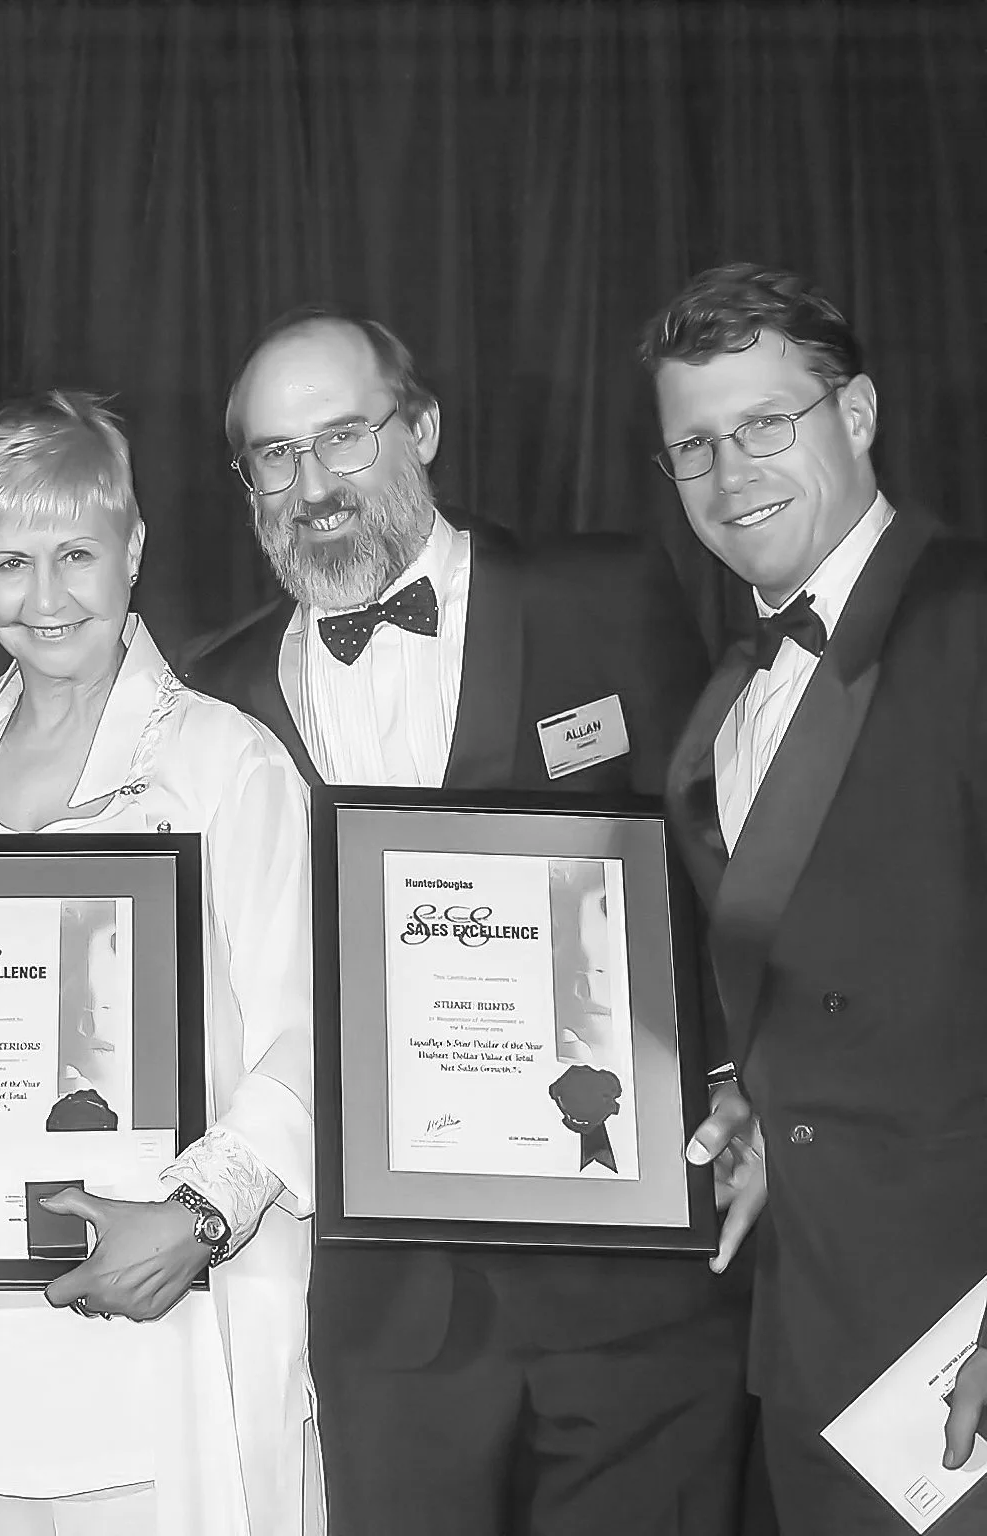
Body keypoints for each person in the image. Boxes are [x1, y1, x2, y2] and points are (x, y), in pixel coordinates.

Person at [182, 307, 751, 1535]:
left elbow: (718, 864)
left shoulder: (601, 593)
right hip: (390, 1325)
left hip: (635, 1294)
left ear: (421, 426)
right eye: (272, 456)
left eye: (342, 437)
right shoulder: (214, 696)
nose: (310, 484)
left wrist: (734, 1077)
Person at [0, 390, 320, 1536]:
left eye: (76, 553)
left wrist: (195, 1214)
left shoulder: (225, 764)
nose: (45, 597)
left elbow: (312, 1032)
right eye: (11, 560)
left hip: (171, 1308)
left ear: (132, 551)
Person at [647, 264, 987, 1534]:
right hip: (810, 1334)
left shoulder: (969, 620)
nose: (731, 477)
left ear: (856, 415)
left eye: (763, 425)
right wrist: (755, 1095)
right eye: (694, 445)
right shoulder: (733, 689)